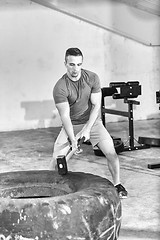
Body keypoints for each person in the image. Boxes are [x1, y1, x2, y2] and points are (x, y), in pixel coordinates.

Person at [51, 47, 128, 199]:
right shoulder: (60, 87)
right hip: (71, 124)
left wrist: (87, 129)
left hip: (93, 122)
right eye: (72, 64)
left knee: (111, 153)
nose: (75, 69)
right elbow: (65, 116)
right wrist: (73, 140)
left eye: (79, 64)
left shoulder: (92, 78)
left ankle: (117, 184)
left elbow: (96, 106)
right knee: (56, 161)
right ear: (65, 63)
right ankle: (52, 188)